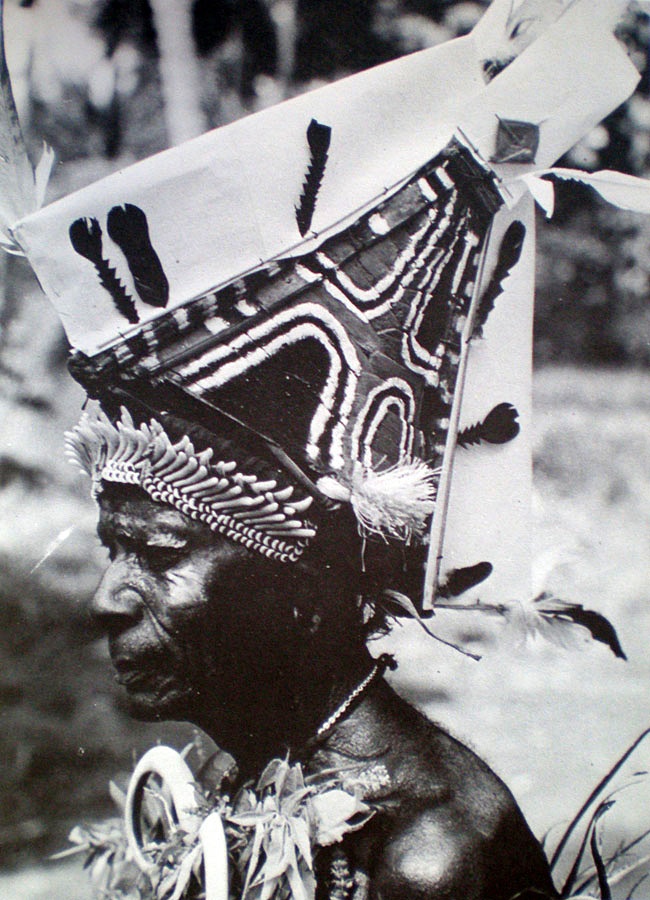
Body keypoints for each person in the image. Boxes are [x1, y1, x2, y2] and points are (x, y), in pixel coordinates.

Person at [69, 402, 557, 899]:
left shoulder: (429, 863)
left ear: (308, 595)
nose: (104, 601)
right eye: (113, 551)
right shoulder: (239, 772)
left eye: (160, 555)